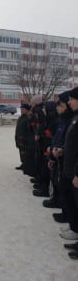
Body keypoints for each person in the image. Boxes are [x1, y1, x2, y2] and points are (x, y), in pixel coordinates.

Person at [59, 87, 78, 244]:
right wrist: (63, 150)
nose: (69, 102)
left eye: (72, 99)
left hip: (75, 172)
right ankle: (74, 228)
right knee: (72, 201)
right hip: (69, 168)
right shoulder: (75, 118)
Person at [15, 103, 31, 170]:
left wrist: (25, 138)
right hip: (19, 138)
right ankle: (23, 163)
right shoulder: (21, 117)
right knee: (21, 151)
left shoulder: (28, 118)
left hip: (24, 139)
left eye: (23, 109)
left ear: (27, 110)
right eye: (21, 109)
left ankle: (26, 164)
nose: (21, 110)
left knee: (25, 152)